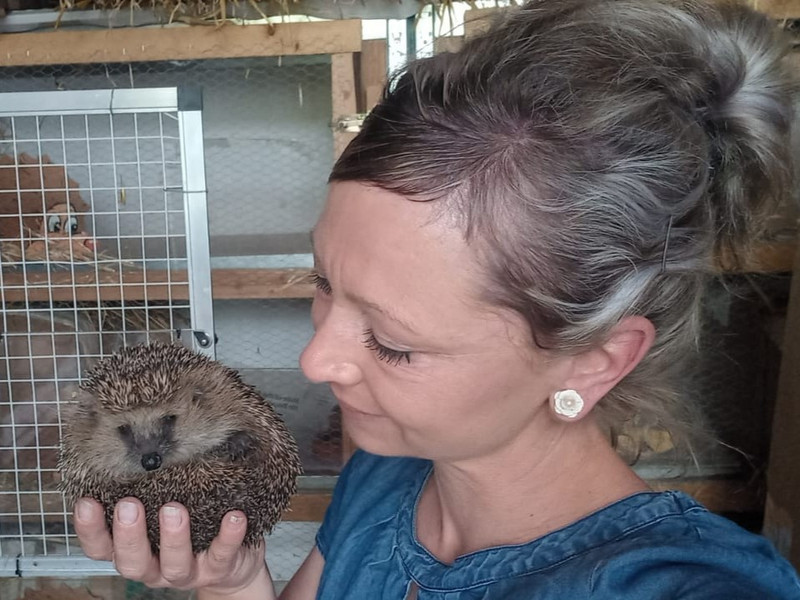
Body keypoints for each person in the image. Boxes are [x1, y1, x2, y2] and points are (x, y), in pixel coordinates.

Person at [72, 0, 800, 597]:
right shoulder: (385, 474)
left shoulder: (686, 588)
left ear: (595, 362)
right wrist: (233, 582)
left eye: (394, 341)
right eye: (321, 282)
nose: (316, 359)